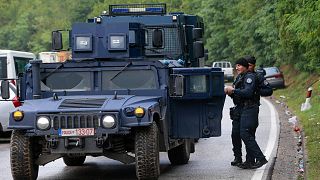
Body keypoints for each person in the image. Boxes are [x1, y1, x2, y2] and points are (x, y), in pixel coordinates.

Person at [225, 57, 268, 169]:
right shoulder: (240, 77)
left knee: (246, 133)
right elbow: (240, 93)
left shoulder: (251, 77)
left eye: (239, 65)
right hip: (240, 108)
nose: (237, 67)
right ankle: (244, 160)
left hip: (250, 108)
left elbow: (248, 92)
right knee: (237, 133)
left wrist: (234, 90)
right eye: (237, 65)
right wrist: (231, 92)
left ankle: (259, 158)